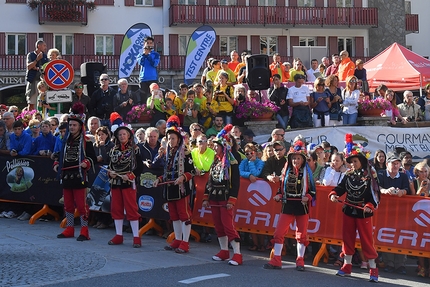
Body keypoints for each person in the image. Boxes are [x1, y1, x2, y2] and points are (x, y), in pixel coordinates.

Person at [329, 134, 380, 282]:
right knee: (347, 239)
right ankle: (347, 266)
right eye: (350, 162)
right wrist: (334, 194)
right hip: (348, 210)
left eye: (355, 161)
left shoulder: (370, 175)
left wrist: (370, 205)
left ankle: (373, 268)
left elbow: (375, 194)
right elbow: (340, 188)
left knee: (366, 240)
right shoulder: (348, 175)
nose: (352, 164)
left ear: (362, 161)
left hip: (363, 213)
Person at [263, 139, 316, 271]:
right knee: (279, 232)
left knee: (301, 235)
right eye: (293, 158)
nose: (295, 161)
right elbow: (282, 187)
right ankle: (276, 259)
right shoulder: (286, 172)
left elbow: (313, 191)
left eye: (298, 158)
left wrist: (308, 197)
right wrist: (279, 195)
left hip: (301, 207)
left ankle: (300, 261)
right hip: (287, 205)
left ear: (303, 160)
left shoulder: (307, 173)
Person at [53, 102, 96, 241]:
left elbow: (93, 158)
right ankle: (70, 228)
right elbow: (60, 155)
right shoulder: (64, 141)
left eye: (74, 125)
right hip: (66, 175)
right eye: (70, 125)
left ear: (80, 126)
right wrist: (57, 163)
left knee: (81, 206)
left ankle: (84, 230)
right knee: (68, 205)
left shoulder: (86, 141)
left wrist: (87, 163)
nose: (71, 127)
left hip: (79, 176)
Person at [202, 124, 242, 266]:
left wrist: (232, 200)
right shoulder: (215, 161)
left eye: (216, 146)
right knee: (218, 225)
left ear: (223, 147)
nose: (214, 148)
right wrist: (206, 197)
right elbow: (209, 180)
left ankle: (237, 254)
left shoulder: (232, 163)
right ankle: (224, 251)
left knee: (228, 225)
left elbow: (236, 183)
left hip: (225, 198)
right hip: (214, 197)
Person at [153, 115, 195, 253]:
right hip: (170, 188)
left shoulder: (186, 152)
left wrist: (183, 177)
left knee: (184, 216)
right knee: (174, 216)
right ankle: (177, 239)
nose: (171, 141)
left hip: (181, 189)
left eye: (173, 138)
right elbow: (166, 172)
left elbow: (192, 171)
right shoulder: (167, 154)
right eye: (169, 138)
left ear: (178, 139)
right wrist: (159, 179)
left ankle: (185, 242)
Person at [107, 124, 144, 248]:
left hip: (128, 183)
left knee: (131, 209)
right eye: (120, 134)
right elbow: (110, 166)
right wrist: (110, 173)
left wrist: (130, 176)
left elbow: (140, 167)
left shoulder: (135, 149)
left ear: (129, 136)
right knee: (116, 208)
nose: (122, 136)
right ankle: (118, 235)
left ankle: (136, 236)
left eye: (124, 134)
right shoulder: (113, 150)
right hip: (116, 183)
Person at [377, 152, 410, 274]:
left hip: (401, 212)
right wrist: (385, 191)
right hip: (385, 212)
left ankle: (401, 264)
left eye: (397, 163)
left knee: (401, 237)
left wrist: (402, 192)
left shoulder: (403, 176)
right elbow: (376, 187)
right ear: (387, 164)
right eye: (393, 163)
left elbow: (407, 189)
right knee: (387, 236)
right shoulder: (380, 174)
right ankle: (389, 263)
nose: (395, 166)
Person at [25, 40, 48, 111]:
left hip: (42, 82)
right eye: (44, 46)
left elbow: (46, 68)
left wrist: (37, 68)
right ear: (39, 46)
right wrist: (37, 59)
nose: (45, 48)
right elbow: (29, 67)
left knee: (43, 102)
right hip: (33, 81)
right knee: (31, 102)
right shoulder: (31, 55)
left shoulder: (45, 56)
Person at [137, 36, 160, 102]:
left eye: (151, 43)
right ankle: (144, 111)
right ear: (144, 44)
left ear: (153, 44)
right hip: (143, 79)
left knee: (154, 98)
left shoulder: (156, 54)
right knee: (143, 98)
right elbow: (141, 63)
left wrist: (148, 55)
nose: (149, 44)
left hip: (153, 78)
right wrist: (144, 55)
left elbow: (155, 64)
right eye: (147, 43)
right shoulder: (140, 54)